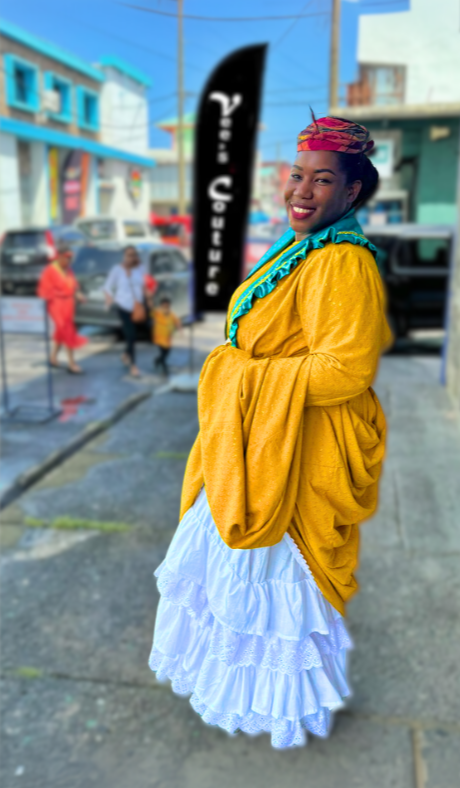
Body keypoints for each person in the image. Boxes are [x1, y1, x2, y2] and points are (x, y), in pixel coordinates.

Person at [149, 115, 392, 748]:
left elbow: (345, 369)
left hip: (291, 454)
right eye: (296, 177)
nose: (301, 192)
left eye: (321, 181)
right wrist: (240, 373)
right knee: (237, 589)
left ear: (351, 194)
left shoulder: (341, 262)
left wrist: (245, 377)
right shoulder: (301, 247)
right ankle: (241, 696)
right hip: (259, 445)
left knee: (274, 593)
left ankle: (279, 709)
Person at [37, 239, 87, 374]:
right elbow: (43, 291)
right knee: (66, 330)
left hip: (68, 304)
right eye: (67, 258)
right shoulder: (50, 270)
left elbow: (73, 284)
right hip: (55, 304)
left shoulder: (68, 269)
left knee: (61, 332)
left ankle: (53, 357)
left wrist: (78, 294)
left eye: (71, 258)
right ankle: (72, 364)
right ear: (59, 256)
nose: (69, 261)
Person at [103, 245, 150, 378]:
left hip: (137, 307)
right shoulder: (117, 270)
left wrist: (148, 297)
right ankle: (133, 365)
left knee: (134, 334)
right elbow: (107, 286)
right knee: (131, 335)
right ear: (124, 256)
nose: (132, 257)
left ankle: (126, 353)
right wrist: (108, 297)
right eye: (129, 255)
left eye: (134, 254)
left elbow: (143, 285)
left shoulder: (140, 268)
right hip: (123, 306)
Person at [152, 296, 182, 375]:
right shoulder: (157, 312)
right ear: (161, 305)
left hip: (168, 339)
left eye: (167, 306)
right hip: (159, 338)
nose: (165, 307)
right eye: (164, 305)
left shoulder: (171, 314)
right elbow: (151, 313)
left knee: (166, 354)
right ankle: (165, 370)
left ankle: (157, 360)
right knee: (163, 355)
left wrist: (180, 331)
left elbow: (177, 321)